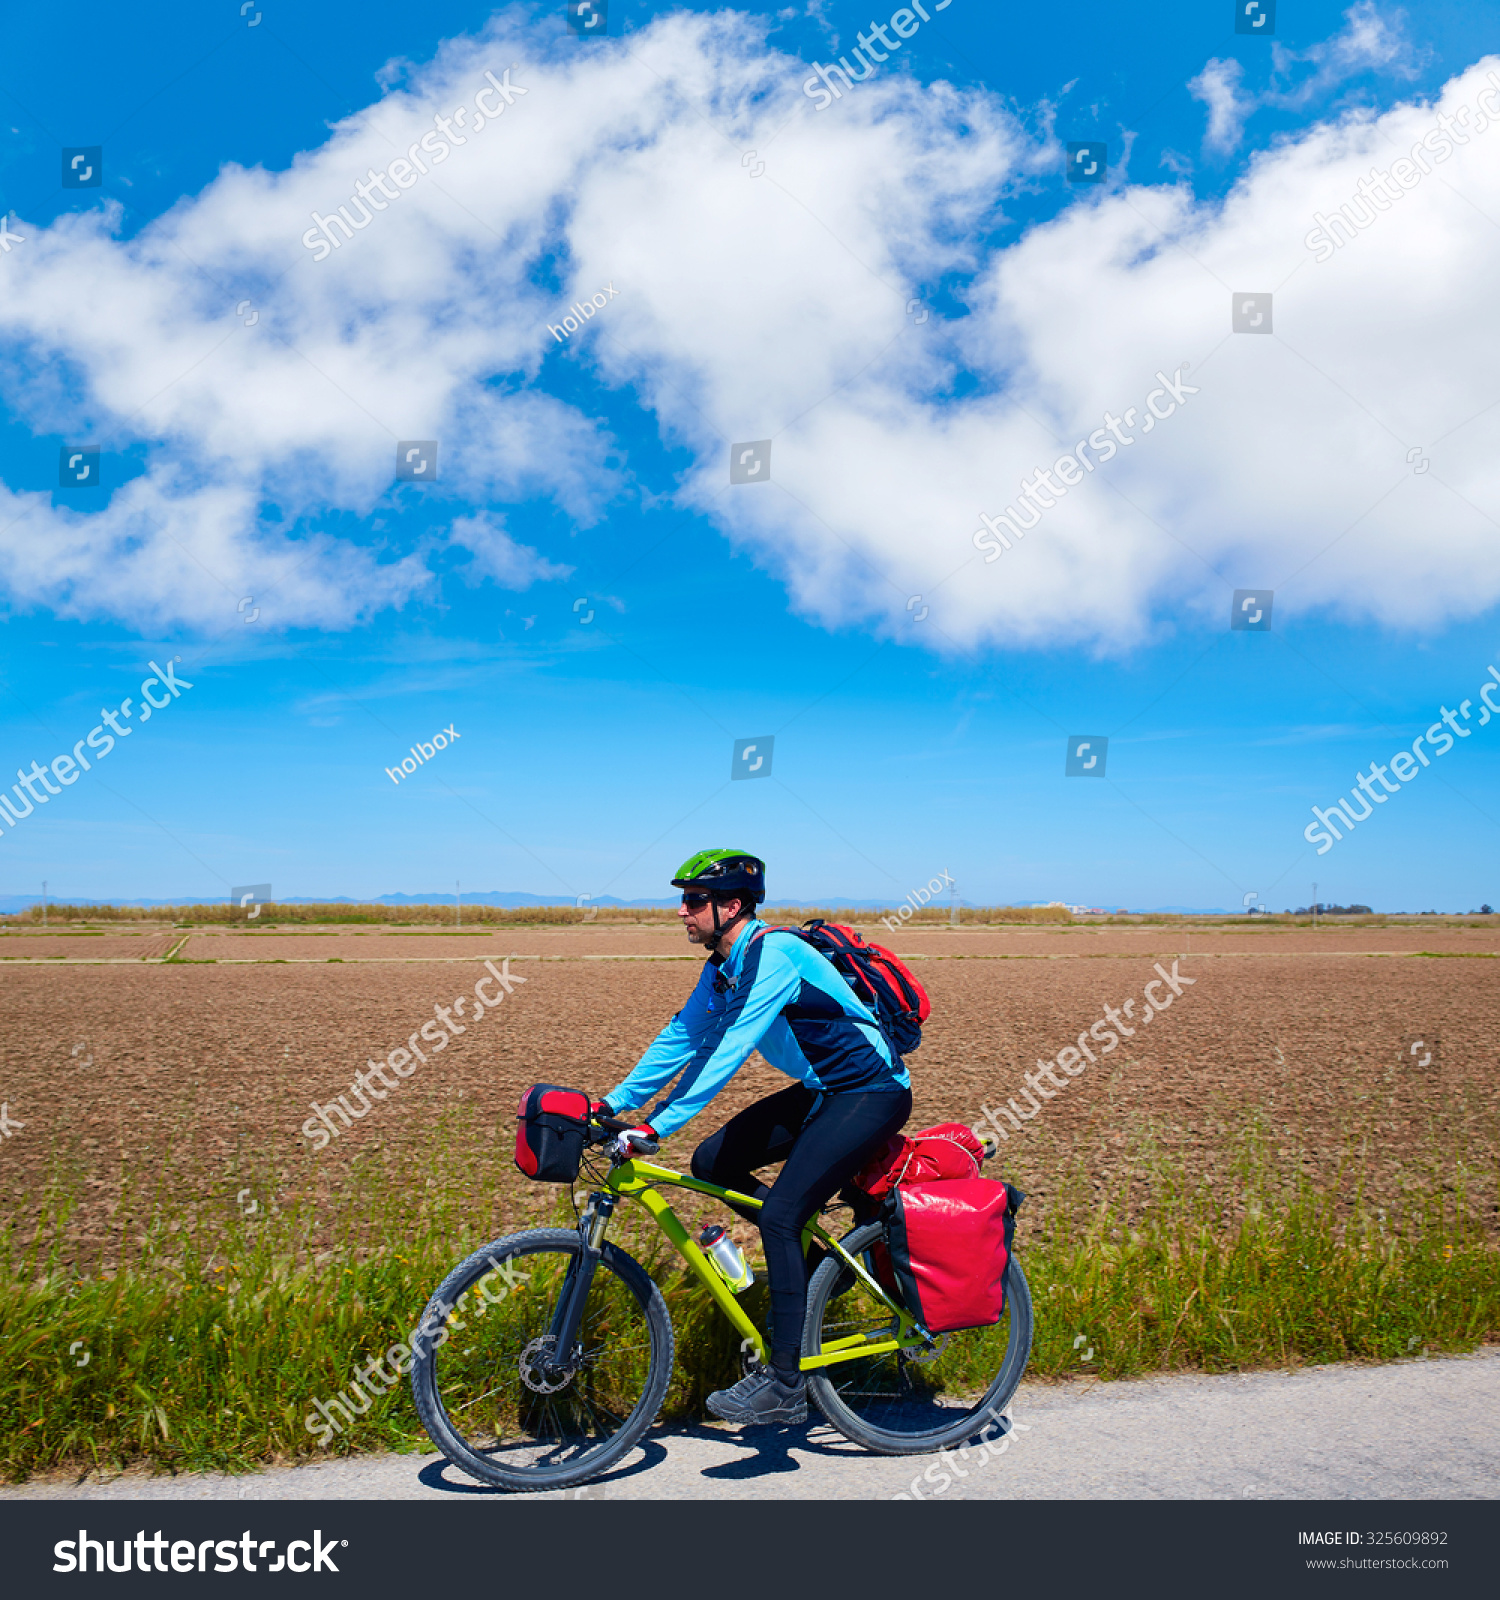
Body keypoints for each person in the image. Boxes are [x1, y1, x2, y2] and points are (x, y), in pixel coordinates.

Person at [598, 849, 913, 1425]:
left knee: (780, 1217)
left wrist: (654, 1125)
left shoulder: (775, 956)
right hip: (823, 1090)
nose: (682, 912)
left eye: (694, 901)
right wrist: (612, 1104)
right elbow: (683, 1036)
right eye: (684, 900)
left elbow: (726, 1049)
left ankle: (786, 1384)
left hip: (871, 1092)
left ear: (732, 906)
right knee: (712, 1163)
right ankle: (824, 1271)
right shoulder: (722, 965)